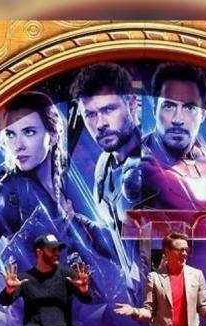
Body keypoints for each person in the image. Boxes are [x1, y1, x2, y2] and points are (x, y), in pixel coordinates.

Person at [68, 62, 146, 304]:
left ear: (131, 104)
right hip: (136, 300)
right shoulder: (103, 167)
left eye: (109, 109)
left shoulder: (154, 161)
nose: (100, 123)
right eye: (90, 115)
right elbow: (116, 239)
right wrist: (77, 222)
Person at [0, 233, 92, 326]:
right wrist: (9, 290)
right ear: (39, 252)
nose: (57, 253)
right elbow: (4, 301)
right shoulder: (25, 278)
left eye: (58, 249)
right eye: (52, 250)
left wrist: (83, 290)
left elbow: (87, 299)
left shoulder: (67, 275)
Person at [0, 90, 68, 240]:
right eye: (10, 134)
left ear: (53, 136)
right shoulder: (4, 194)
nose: (18, 146)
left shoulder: (67, 183)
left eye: (29, 132)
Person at [141, 62, 206, 214]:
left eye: (189, 108)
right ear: (154, 109)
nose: (177, 119)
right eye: (169, 106)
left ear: (203, 114)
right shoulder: (131, 159)